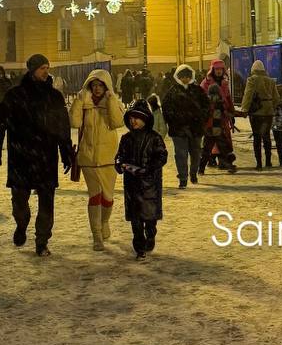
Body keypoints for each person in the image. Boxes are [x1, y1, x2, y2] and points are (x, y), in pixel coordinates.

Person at [0, 54, 72, 257]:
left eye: (47, 67)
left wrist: (66, 152)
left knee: (46, 201)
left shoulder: (54, 97)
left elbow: (63, 128)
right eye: (42, 68)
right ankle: (22, 223)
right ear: (32, 69)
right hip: (21, 155)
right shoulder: (15, 95)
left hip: (46, 156)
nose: (46, 72)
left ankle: (42, 241)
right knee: (19, 200)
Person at [70, 68, 125, 251]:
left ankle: (104, 223)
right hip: (88, 157)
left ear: (106, 86)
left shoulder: (113, 102)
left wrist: (110, 100)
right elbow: (75, 123)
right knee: (95, 196)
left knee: (108, 197)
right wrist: (79, 101)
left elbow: (117, 123)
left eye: (100, 85)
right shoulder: (83, 103)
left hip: (109, 157)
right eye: (93, 85)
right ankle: (96, 235)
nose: (97, 89)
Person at [115, 100, 168, 259]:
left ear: (146, 119)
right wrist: (119, 164)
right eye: (131, 117)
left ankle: (150, 235)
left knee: (150, 218)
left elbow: (161, 156)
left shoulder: (154, 138)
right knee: (136, 220)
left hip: (149, 185)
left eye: (137, 117)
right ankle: (139, 246)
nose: (134, 121)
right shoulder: (126, 138)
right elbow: (120, 156)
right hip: (132, 185)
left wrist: (150, 168)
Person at [163, 65, 209, 188]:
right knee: (181, 154)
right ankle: (183, 177)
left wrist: (201, 119)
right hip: (178, 129)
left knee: (195, 153)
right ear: (178, 77)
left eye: (187, 77)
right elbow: (166, 109)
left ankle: (193, 173)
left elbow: (206, 106)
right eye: (182, 77)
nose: (185, 79)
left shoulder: (198, 90)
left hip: (196, 128)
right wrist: (175, 121)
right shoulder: (172, 92)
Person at [239, 59, 277, 170]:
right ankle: (269, 162)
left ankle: (259, 164)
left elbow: (248, 95)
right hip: (268, 112)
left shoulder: (252, 80)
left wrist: (244, 109)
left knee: (257, 138)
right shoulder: (270, 81)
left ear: (253, 70)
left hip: (256, 113)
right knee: (266, 137)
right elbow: (276, 98)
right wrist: (271, 107)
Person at [200, 58, 236, 173]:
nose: (219, 71)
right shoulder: (206, 83)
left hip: (221, 120)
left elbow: (228, 99)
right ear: (213, 70)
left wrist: (231, 112)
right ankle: (206, 165)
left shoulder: (224, 83)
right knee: (211, 145)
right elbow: (201, 101)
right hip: (211, 123)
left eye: (221, 69)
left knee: (222, 143)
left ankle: (224, 163)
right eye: (217, 69)